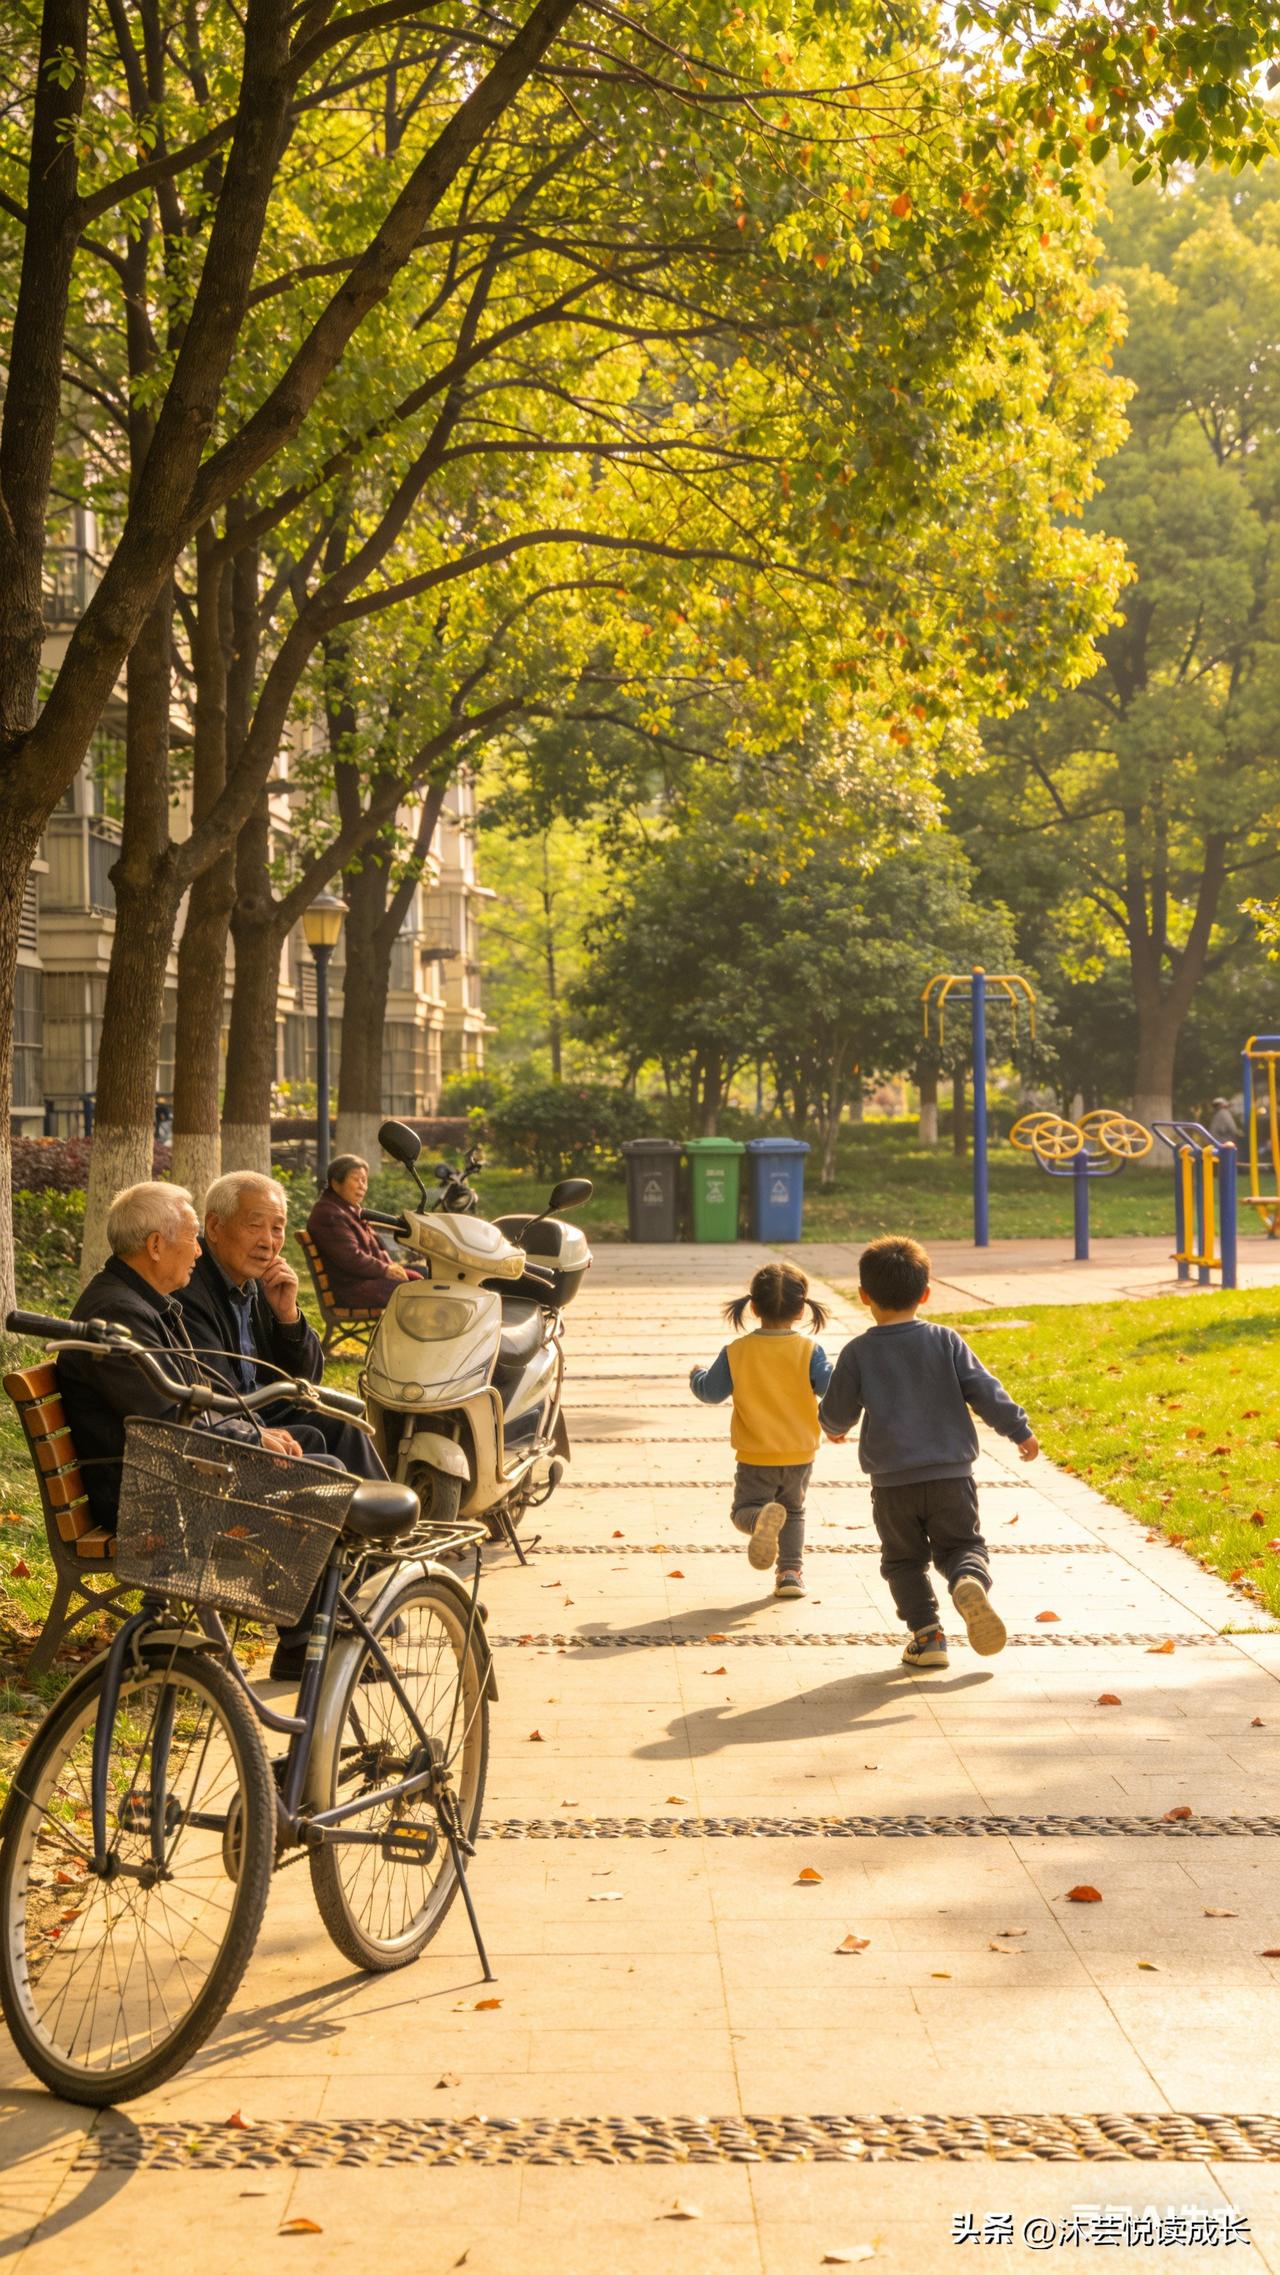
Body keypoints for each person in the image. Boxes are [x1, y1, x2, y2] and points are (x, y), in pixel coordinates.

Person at [819, 1235, 1039, 1670]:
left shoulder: (858, 1352)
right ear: (925, 1293)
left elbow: (837, 1412)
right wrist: (1019, 1430)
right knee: (963, 1545)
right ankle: (967, 1579)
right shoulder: (946, 1340)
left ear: (864, 1296)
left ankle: (928, 1635)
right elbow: (985, 1391)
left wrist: (834, 1428)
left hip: (893, 1484)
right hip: (951, 1477)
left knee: (903, 1561)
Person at [57, 1182, 315, 1533]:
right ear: (156, 1246)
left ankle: (340, 1584)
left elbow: (189, 1396)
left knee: (309, 1450)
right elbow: (165, 1418)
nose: (198, 1252)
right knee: (321, 1477)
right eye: (193, 1238)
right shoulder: (119, 1311)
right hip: (147, 1494)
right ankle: (341, 1585)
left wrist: (251, 1432)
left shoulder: (144, 1302)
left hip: (166, 1473)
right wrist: (252, 1438)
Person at [176, 1171, 385, 1485]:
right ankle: (377, 1524)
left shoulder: (259, 1281)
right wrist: (258, 1431)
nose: (268, 1242)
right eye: (255, 1225)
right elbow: (216, 1391)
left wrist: (287, 1314)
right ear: (215, 1227)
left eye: (277, 1228)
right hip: (232, 1422)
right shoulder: (190, 1285)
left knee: (345, 1423)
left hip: (259, 1406)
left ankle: (389, 1520)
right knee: (311, 1438)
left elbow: (308, 1377)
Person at [689, 1260, 833, 1600]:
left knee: (744, 1511)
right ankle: (790, 1575)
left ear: (753, 1307)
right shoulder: (810, 1350)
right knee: (794, 1511)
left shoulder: (736, 1351)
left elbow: (711, 1392)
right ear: (801, 1311)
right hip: (799, 1453)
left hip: (756, 1456)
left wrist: (696, 1375)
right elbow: (830, 1386)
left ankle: (759, 1522)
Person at [306, 1154, 420, 1310]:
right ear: (335, 1183)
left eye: (364, 1180)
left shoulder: (347, 1209)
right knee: (421, 1290)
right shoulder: (329, 1213)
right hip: (351, 1289)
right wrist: (386, 1269)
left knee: (425, 1275)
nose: (362, 1186)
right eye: (356, 1179)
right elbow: (351, 1257)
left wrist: (392, 1267)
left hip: (365, 1282)